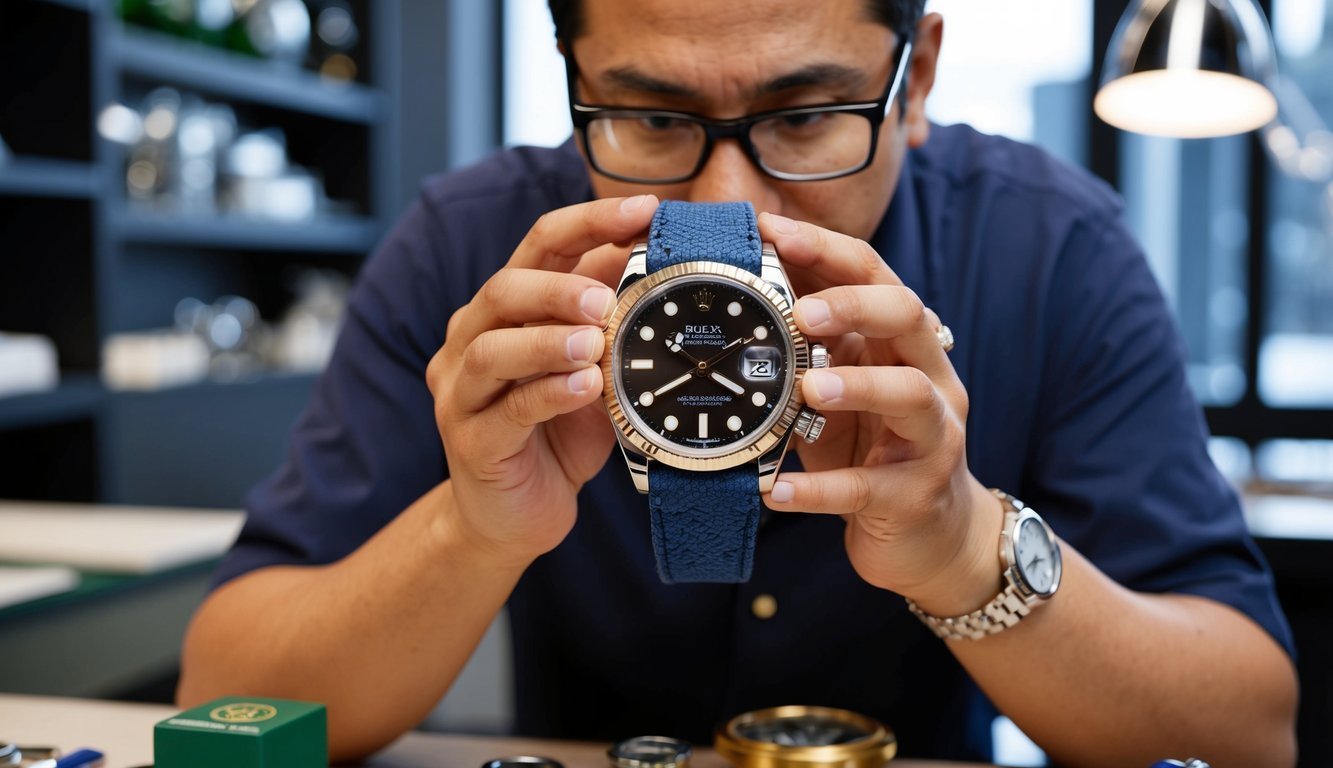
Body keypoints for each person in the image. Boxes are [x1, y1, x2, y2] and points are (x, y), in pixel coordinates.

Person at [176, 1, 1299, 765]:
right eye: (652, 120)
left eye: (807, 118)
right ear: (573, 82)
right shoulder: (468, 249)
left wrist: (964, 552)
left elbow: (1248, 728)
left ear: (918, 80)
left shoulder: (1052, 250)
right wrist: (473, 528)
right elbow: (229, 699)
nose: (731, 199)